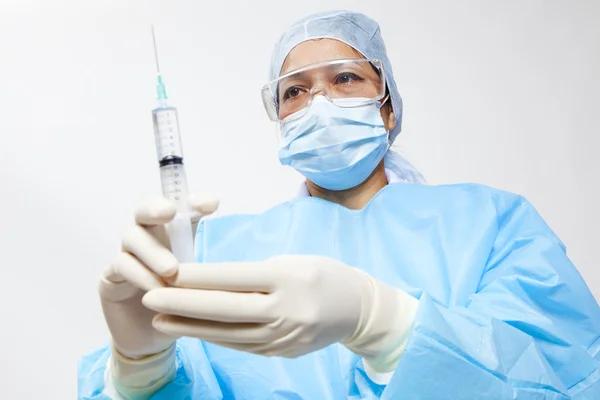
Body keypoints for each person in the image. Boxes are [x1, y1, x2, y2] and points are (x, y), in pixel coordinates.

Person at [78, 10, 600, 399]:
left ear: (388, 105)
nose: (318, 102)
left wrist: (386, 324)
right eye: (295, 92)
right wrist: (140, 371)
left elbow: (563, 375)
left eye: (344, 78)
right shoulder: (217, 250)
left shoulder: (491, 224)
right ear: (279, 118)